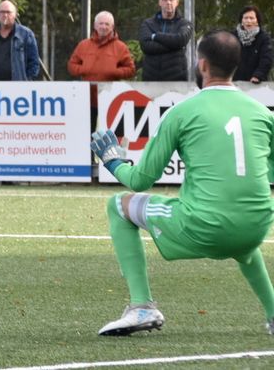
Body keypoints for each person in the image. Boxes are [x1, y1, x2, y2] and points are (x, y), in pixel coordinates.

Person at [89, 30, 274, 336]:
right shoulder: (262, 113)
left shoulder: (182, 112)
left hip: (205, 227)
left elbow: (140, 180)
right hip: (255, 228)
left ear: (202, 66)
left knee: (119, 206)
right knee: (240, 230)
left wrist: (112, 162)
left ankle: (142, 306)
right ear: (236, 67)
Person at [0, 0, 40, 81]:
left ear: (15, 15)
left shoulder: (26, 34)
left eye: (8, 12)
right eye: (2, 12)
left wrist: (26, 81)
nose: (5, 15)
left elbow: (34, 64)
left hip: (17, 89)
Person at [138, 0, 193, 82]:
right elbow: (146, 46)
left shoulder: (185, 24)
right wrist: (174, 45)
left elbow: (180, 40)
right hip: (151, 81)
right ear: (159, 2)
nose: (168, 2)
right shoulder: (147, 23)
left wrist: (156, 36)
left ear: (177, 2)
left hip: (177, 81)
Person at [67, 11, 136, 82]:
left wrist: (114, 72)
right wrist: (84, 69)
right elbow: (71, 66)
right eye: (101, 23)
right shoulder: (83, 45)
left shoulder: (121, 47)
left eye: (107, 24)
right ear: (95, 25)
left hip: (112, 90)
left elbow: (131, 70)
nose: (103, 27)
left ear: (112, 27)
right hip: (87, 89)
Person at [233, 5, 272, 84]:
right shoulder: (232, 36)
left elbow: (267, 59)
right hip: (234, 83)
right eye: (246, 18)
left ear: (257, 20)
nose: (248, 21)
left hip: (256, 84)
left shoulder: (264, 38)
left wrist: (258, 75)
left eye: (251, 18)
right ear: (241, 20)